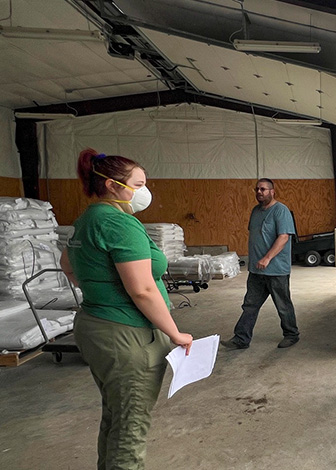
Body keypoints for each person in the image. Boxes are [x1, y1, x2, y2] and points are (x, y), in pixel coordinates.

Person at [60, 148, 193, 470]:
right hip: (127, 334)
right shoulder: (121, 224)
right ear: (111, 185)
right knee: (131, 428)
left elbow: (68, 266)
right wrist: (174, 333)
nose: (144, 191)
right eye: (139, 183)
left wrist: (101, 291)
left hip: (96, 325)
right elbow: (143, 289)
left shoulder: (86, 220)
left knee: (116, 416)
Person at [221, 178, 300, 349]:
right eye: (257, 189)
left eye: (263, 189)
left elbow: (284, 237)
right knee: (250, 305)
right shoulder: (256, 211)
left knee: (283, 304)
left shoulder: (281, 211)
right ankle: (241, 339)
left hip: (276, 269)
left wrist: (267, 258)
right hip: (257, 270)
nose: (259, 192)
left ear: (272, 191)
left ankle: (291, 334)